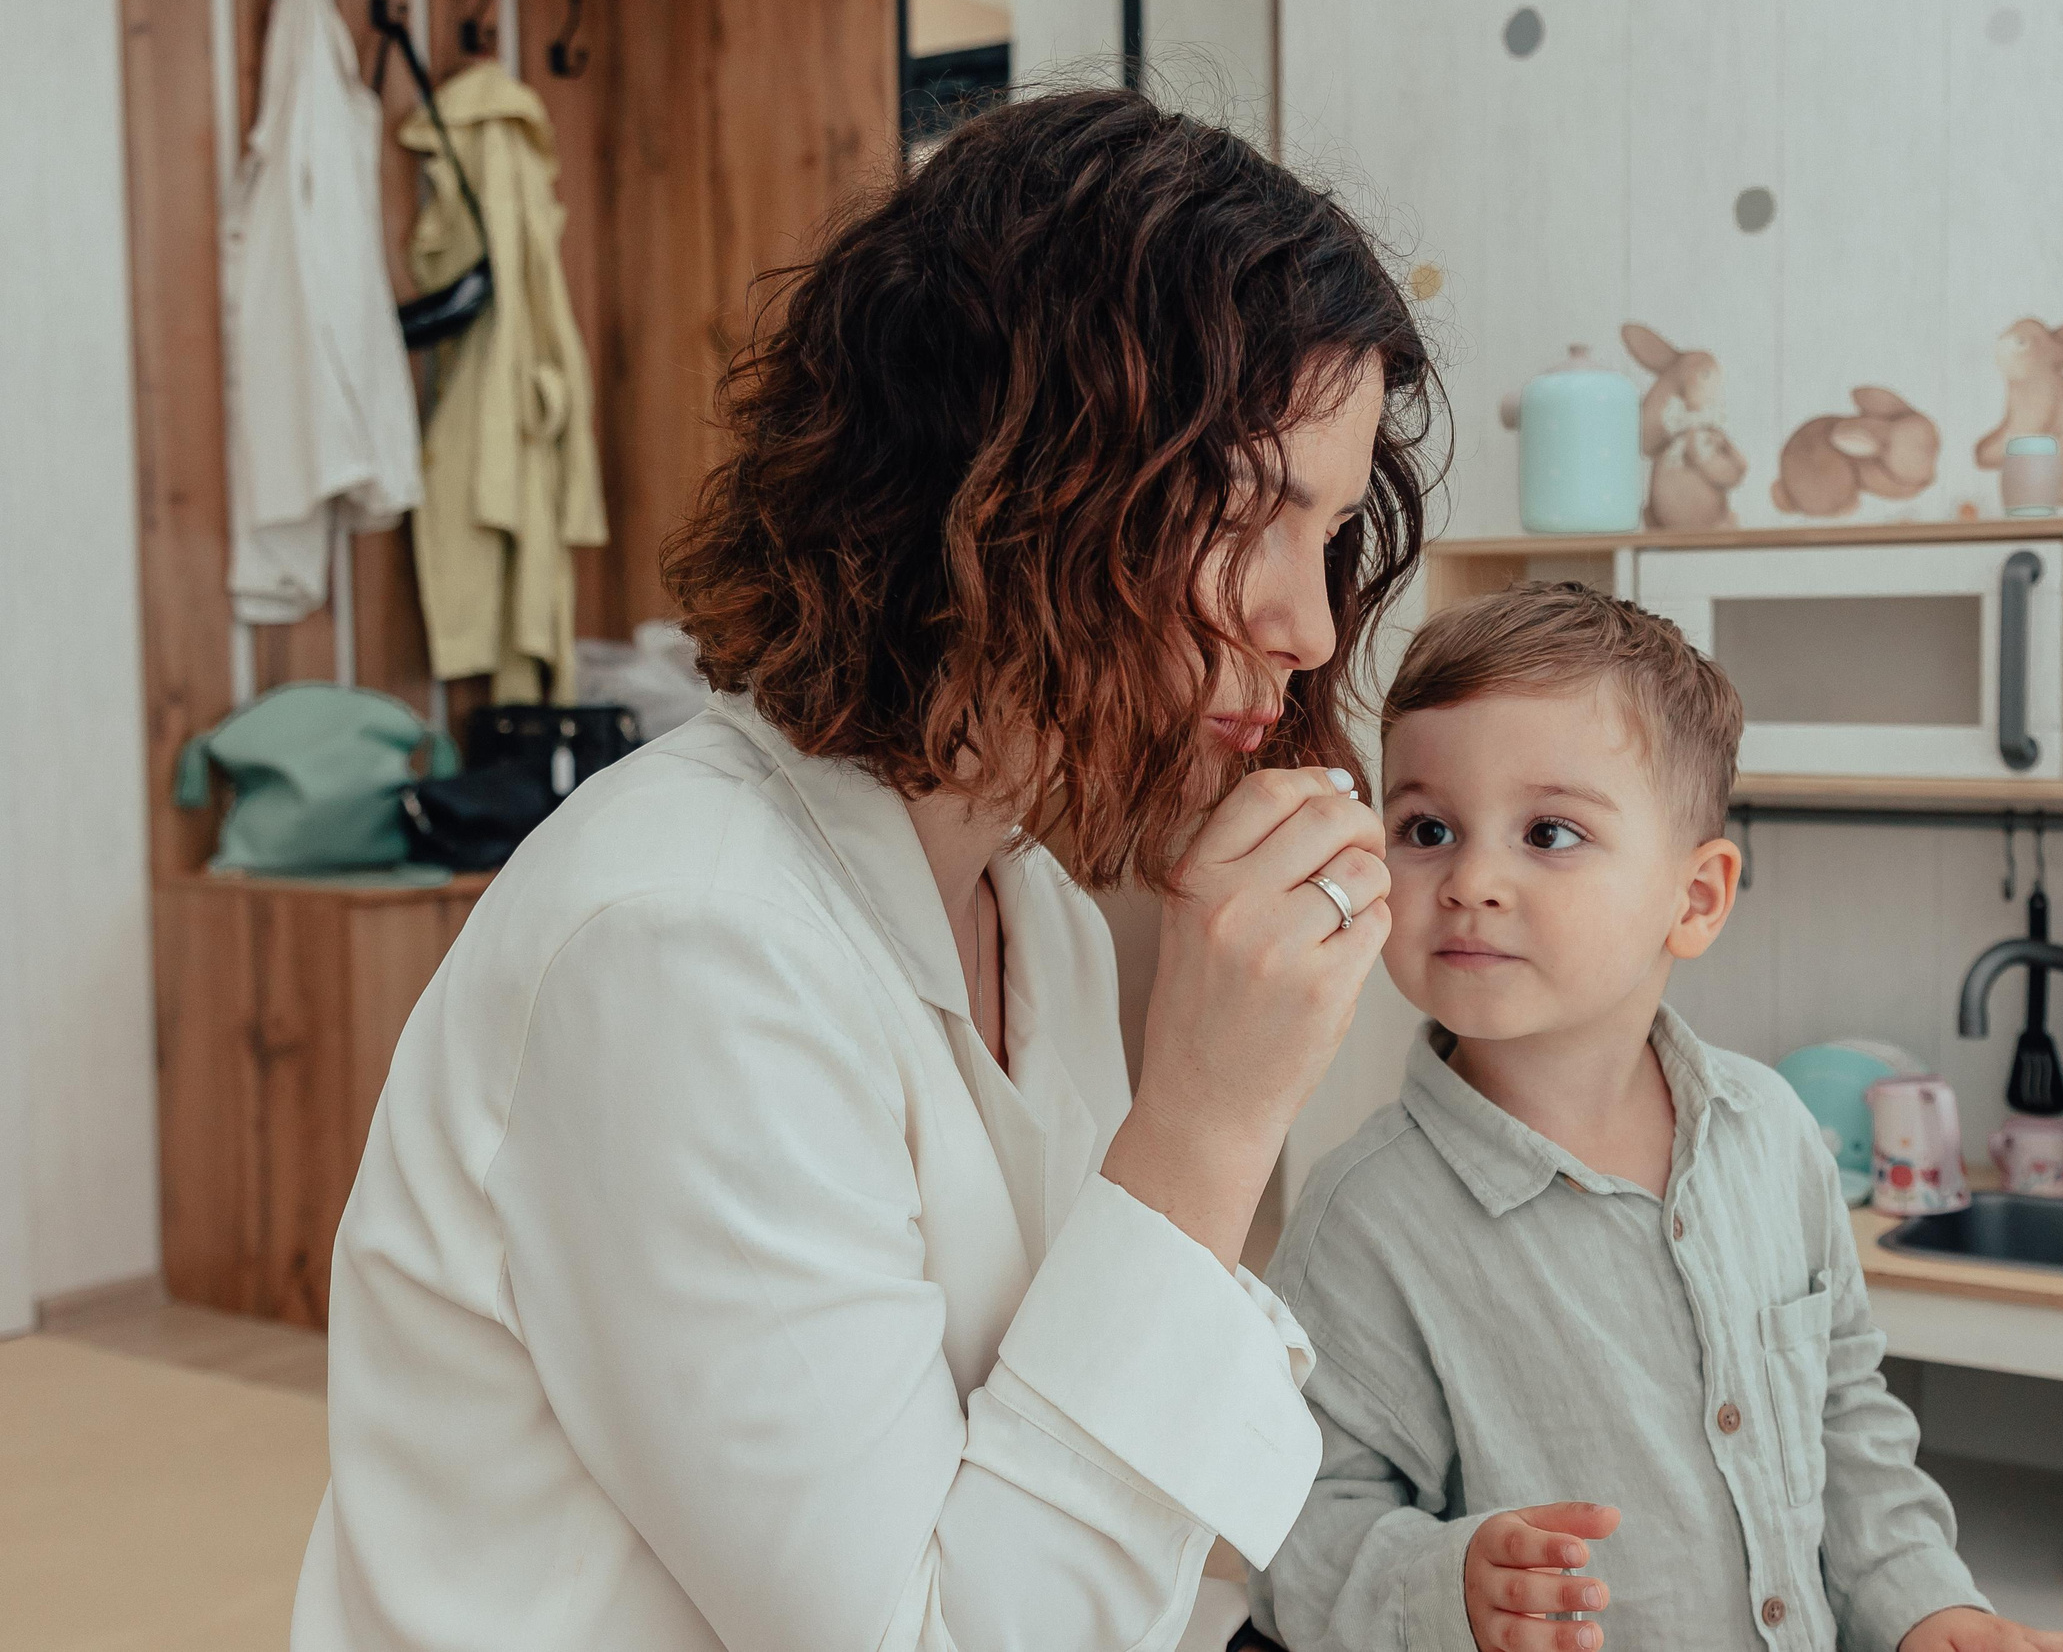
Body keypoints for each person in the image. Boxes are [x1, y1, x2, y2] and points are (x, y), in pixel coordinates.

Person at [291, 90, 1440, 1652]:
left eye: (1332, 537)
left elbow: (1090, 1503)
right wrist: (1209, 1124)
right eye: (1247, 513)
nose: (1310, 628)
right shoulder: (689, 946)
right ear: (1012, 483)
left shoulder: (1030, 900)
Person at [1249, 584, 2063, 1652]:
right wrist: (1442, 1584)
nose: (1470, 880)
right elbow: (1300, 1525)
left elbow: (1844, 1417)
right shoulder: (1362, 1219)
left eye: (1547, 831)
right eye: (1426, 828)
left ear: (1694, 900)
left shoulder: (1772, 1136)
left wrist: (1926, 1605)